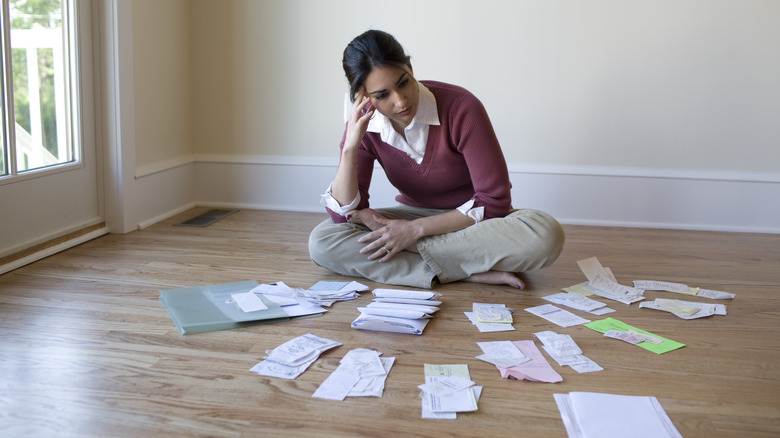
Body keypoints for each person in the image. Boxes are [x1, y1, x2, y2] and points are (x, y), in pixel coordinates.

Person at [308, 30, 564, 289]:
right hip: (410, 215)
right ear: (363, 96)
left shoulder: (461, 107)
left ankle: (429, 260)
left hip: (472, 222)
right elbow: (344, 215)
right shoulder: (364, 126)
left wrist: (414, 232)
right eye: (382, 95)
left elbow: (494, 203)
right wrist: (351, 146)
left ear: (410, 67)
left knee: (543, 234)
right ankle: (464, 271)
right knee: (323, 241)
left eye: (403, 82)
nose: (400, 101)